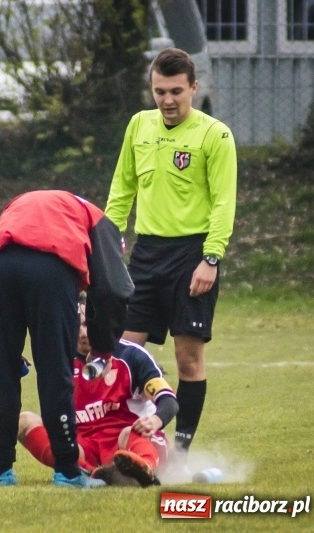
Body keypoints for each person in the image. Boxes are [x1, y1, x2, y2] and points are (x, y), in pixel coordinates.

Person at [104, 47, 237, 454]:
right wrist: (106, 244)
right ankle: (122, 445)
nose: (167, 100)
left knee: (188, 360)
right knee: (123, 353)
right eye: (160, 91)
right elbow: (122, 188)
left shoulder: (215, 135)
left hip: (191, 255)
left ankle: (179, 453)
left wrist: (210, 258)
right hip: (145, 255)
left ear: (194, 88)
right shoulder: (139, 125)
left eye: (176, 91)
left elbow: (223, 202)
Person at [0, 190, 133, 488]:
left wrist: (2, 351)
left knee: (0, 371)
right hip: (51, 266)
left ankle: (0, 471)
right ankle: (68, 471)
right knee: (54, 369)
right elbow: (112, 290)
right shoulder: (102, 223)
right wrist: (103, 348)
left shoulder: (24, 202)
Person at [18, 297, 179, 487]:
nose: (82, 333)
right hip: (86, 447)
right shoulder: (59, 362)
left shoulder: (130, 355)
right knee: (24, 421)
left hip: (133, 440)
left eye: (88, 325)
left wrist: (156, 420)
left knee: (129, 433)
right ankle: (88, 472)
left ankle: (144, 468)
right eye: (75, 325)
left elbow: (168, 399)